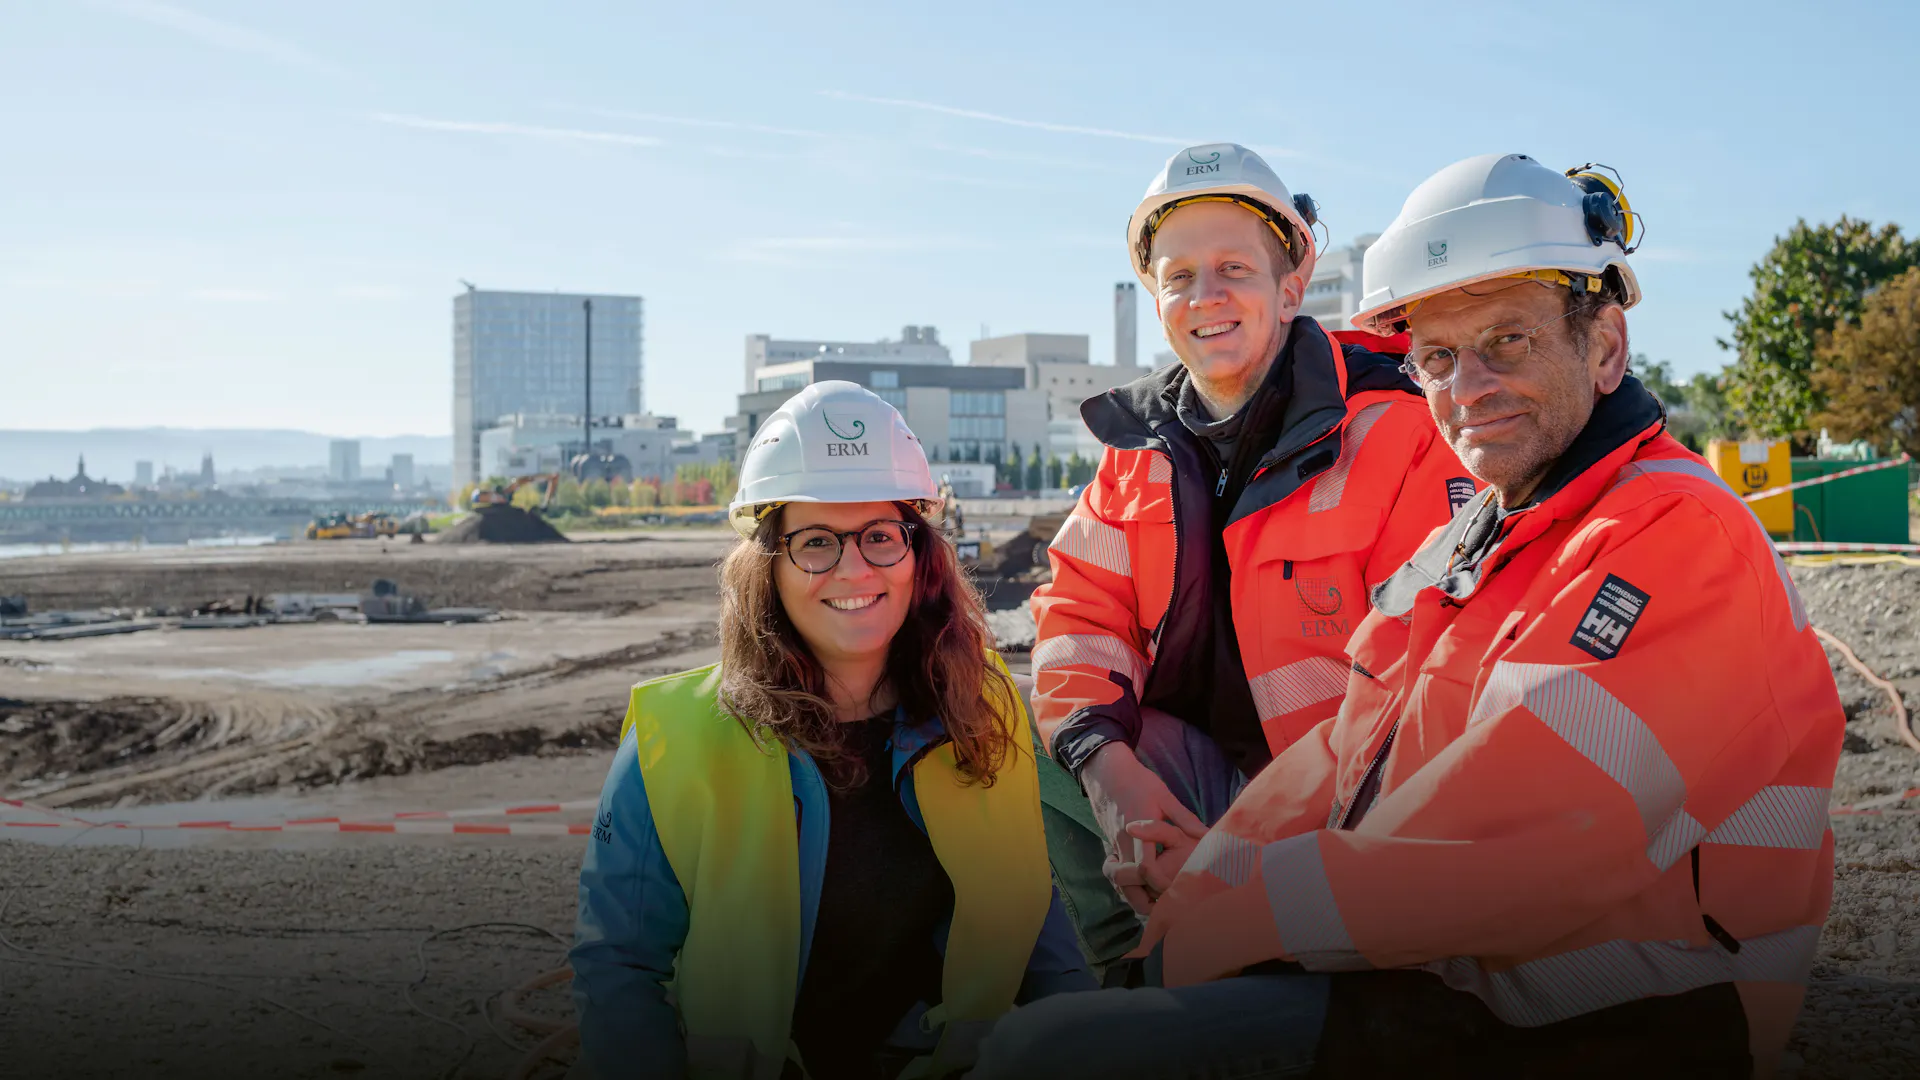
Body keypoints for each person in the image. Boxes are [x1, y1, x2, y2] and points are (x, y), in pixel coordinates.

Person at [974, 154, 1843, 1079]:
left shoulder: (1673, 535)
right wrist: (1212, 884)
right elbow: (1354, 744)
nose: (1466, 388)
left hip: (1632, 1014)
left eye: (1507, 341)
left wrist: (1228, 918)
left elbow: (1518, 844)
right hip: (1450, 969)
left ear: (1604, 346)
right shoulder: (1496, 528)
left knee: (1059, 1054)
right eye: (1437, 356)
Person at [1028, 143, 1476, 968]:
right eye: (1178, 275)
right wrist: (1114, 782)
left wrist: (1247, 859)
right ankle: (1139, 973)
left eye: (1234, 267)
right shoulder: (1138, 447)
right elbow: (1079, 619)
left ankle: (1238, 978)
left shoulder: (1398, 428)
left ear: (1292, 284)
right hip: (1199, 786)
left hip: (1351, 814)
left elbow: (1430, 692)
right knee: (1036, 738)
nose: (1206, 297)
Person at [570, 381, 1093, 1080]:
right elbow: (620, 971)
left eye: (880, 537)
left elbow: (1039, 937)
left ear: (919, 557)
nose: (854, 569)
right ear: (771, 566)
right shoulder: (675, 741)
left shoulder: (986, 710)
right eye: (816, 542)